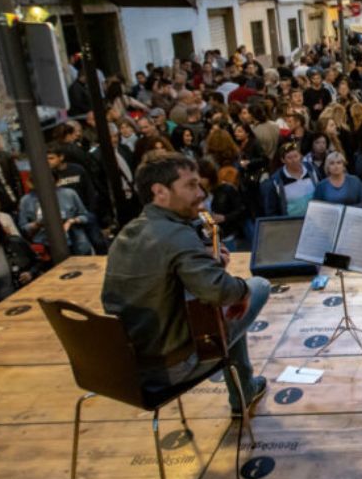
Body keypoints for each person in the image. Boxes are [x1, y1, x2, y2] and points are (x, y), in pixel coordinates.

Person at [102, 152, 268, 418]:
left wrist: (208, 268)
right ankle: (243, 391)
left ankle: (244, 390)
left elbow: (158, 286)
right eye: (190, 185)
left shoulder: (127, 233)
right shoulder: (178, 234)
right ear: (160, 192)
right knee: (258, 285)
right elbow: (222, 292)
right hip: (173, 365)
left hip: (130, 367)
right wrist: (242, 292)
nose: (201, 193)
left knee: (225, 315)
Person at [18, 185, 101, 256]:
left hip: (74, 242)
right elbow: (23, 227)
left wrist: (72, 221)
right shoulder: (26, 200)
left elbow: (87, 216)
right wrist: (37, 224)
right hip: (45, 246)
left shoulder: (69, 194)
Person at [259, 141, 319, 218]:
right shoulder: (276, 181)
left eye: (296, 156)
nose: (294, 160)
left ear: (300, 156)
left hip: (314, 218)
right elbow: (271, 210)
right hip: (292, 223)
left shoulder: (312, 170)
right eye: (289, 158)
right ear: (283, 160)